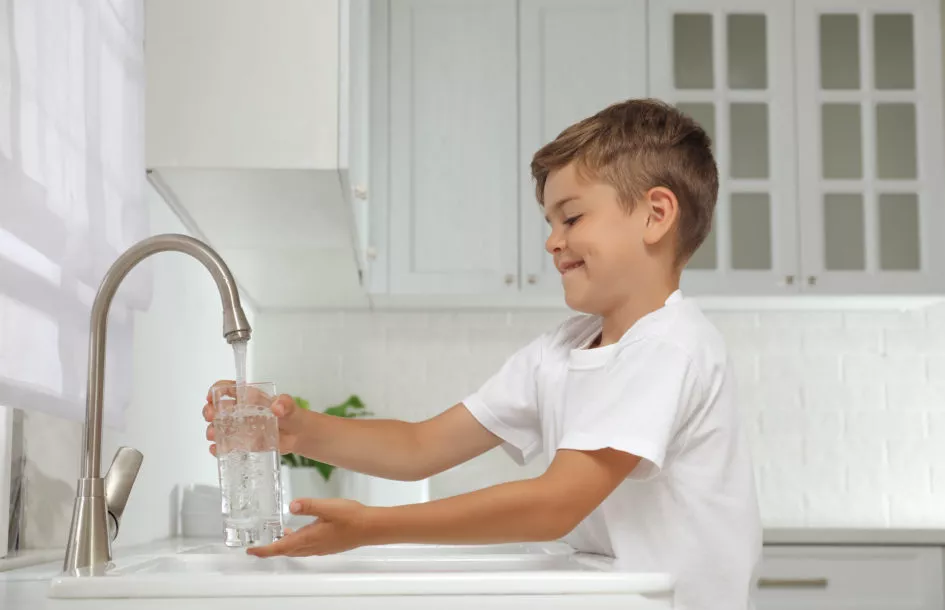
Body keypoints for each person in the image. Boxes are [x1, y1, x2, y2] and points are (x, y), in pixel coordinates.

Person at [202, 98, 762, 609]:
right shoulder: (563, 349)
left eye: (572, 217)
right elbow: (420, 445)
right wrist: (296, 430)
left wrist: (375, 525)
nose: (551, 241)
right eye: (549, 222)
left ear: (655, 215)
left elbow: (555, 504)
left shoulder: (669, 344)